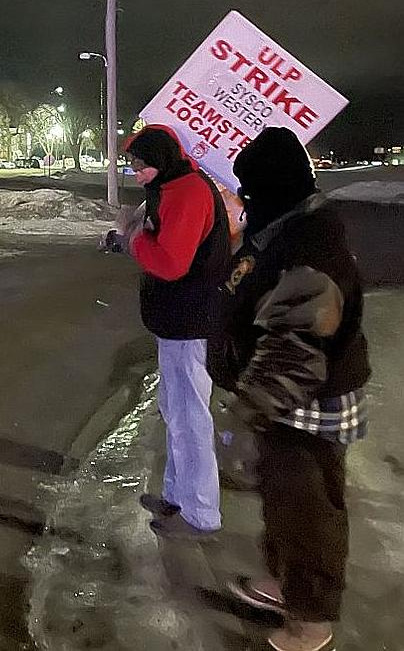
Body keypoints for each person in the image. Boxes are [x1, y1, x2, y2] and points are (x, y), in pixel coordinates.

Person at [209, 128, 370, 651]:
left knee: (307, 512)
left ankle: (310, 622)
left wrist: (245, 410)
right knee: (283, 503)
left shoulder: (308, 248)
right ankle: (286, 586)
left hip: (303, 407)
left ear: (274, 188)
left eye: (250, 192)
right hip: (288, 407)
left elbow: (295, 351)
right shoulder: (285, 229)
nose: (245, 201)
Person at [106, 125, 231, 539]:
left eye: (139, 165)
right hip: (176, 320)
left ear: (159, 159)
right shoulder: (170, 187)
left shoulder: (188, 192)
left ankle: (201, 512)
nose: (135, 172)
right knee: (175, 409)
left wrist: (133, 238)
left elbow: (170, 263)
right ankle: (178, 496)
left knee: (190, 415)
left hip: (189, 321)